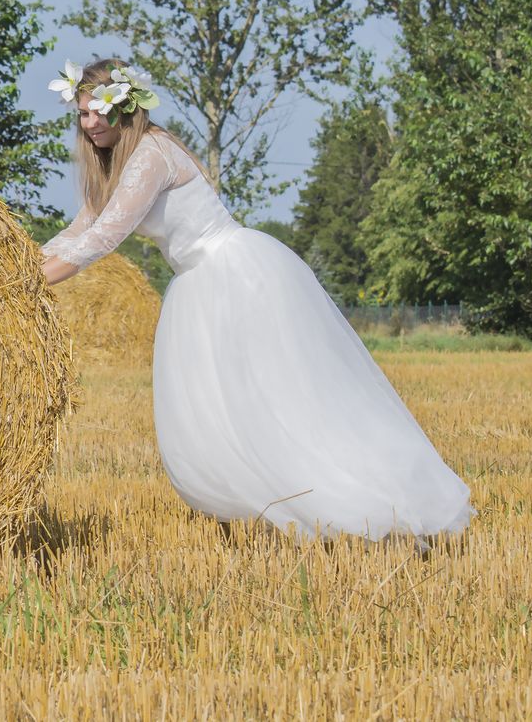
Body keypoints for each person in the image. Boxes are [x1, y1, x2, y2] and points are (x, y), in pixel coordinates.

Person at [41, 57, 472, 541]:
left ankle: (363, 499)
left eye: (98, 111)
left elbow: (103, 238)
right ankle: (265, 500)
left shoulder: (151, 155)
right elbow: (79, 230)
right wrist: (14, 268)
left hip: (236, 276)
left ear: (126, 107)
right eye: (82, 114)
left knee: (282, 398)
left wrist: (30, 285)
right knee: (223, 408)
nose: (90, 123)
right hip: (197, 285)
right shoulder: (112, 164)